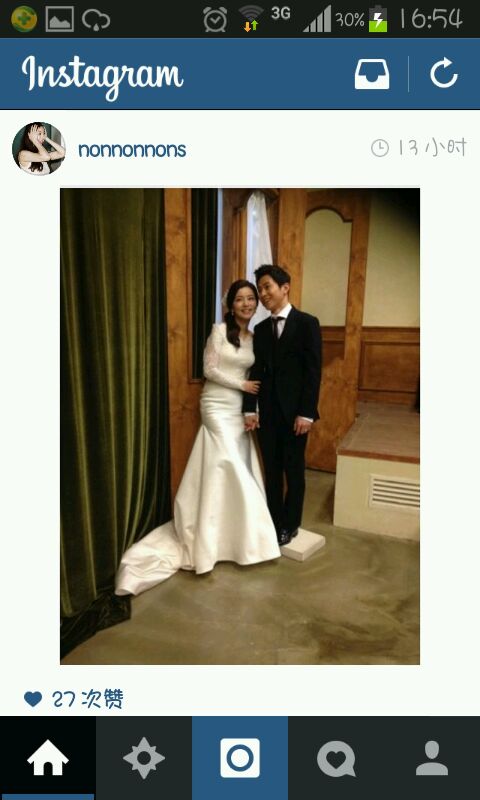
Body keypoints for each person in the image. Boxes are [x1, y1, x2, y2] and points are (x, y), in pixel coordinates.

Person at [116, 279, 280, 596]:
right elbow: (209, 370)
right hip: (216, 405)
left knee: (236, 464)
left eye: (251, 298)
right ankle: (218, 539)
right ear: (230, 304)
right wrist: (242, 386)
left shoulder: (256, 337)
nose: (246, 304)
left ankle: (236, 538)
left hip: (239, 410)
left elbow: (257, 377)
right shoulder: (219, 331)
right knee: (228, 463)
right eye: (240, 299)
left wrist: (253, 406)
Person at [243, 265, 322, 546]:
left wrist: (306, 413)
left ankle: (291, 523)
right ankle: (274, 522)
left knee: (294, 470)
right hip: (267, 414)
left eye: (267, 287)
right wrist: (250, 408)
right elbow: (256, 372)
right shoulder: (261, 329)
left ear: (284, 287)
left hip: (295, 415)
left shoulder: (307, 323)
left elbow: (313, 372)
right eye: (260, 289)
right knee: (272, 471)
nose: (263, 294)